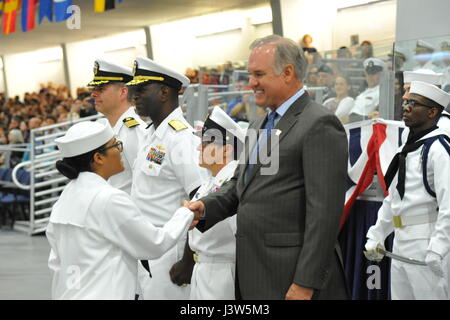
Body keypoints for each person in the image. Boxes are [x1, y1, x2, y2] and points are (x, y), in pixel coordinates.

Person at [188, 35, 349, 300]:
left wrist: (305, 283)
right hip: (257, 274)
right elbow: (241, 187)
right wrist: (205, 208)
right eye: (250, 74)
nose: (251, 83)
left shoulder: (318, 124)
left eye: (258, 74)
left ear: (287, 73)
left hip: (293, 279)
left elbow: (324, 215)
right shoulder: (259, 125)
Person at [46, 120, 196, 299]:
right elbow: (154, 243)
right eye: (115, 145)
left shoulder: (64, 199)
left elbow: (55, 263)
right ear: (98, 158)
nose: (120, 150)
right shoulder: (108, 199)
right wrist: (186, 213)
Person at [127, 57, 208, 300]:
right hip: (147, 249)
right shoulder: (151, 134)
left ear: (164, 92)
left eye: (141, 89)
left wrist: (188, 259)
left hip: (170, 254)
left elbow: (201, 199)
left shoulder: (179, 138)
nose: (134, 96)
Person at [364, 81, 450, 299]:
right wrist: (377, 233)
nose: (406, 107)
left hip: (427, 242)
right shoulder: (407, 147)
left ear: (432, 112)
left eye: (414, 103)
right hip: (402, 241)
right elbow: (394, 198)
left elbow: (449, 204)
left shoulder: (439, 148)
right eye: (406, 102)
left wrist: (438, 247)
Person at [170, 106, 245, 300]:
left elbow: (241, 234)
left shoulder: (232, 182)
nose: (198, 147)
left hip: (222, 273)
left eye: (205, 143)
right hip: (204, 269)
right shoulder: (212, 181)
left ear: (226, 150)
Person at [89, 59, 146, 194]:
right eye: (94, 89)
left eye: (101, 89)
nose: (93, 94)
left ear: (123, 92)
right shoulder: (107, 128)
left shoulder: (134, 132)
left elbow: (144, 185)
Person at [402, 69, 450, 139]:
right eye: (405, 90)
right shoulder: (411, 126)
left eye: (410, 90)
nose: (404, 96)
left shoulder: (445, 127)